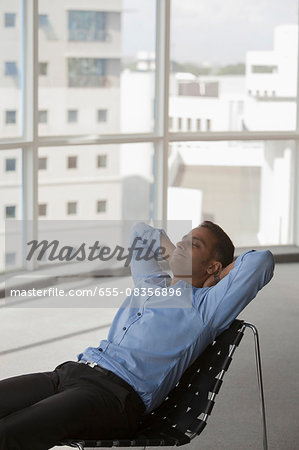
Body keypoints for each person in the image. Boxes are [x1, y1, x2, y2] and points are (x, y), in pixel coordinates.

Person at [0, 221, 274, 450]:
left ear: (213, 267)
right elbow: (142, 233)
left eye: (194, 244)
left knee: (11, 432)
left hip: (112, 398)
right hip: (71, 372)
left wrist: (215, 277)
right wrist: (178, 253)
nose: (180, 244)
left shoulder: (205, 309)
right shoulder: (150, 283)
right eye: (182, 239)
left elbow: (260, 262)